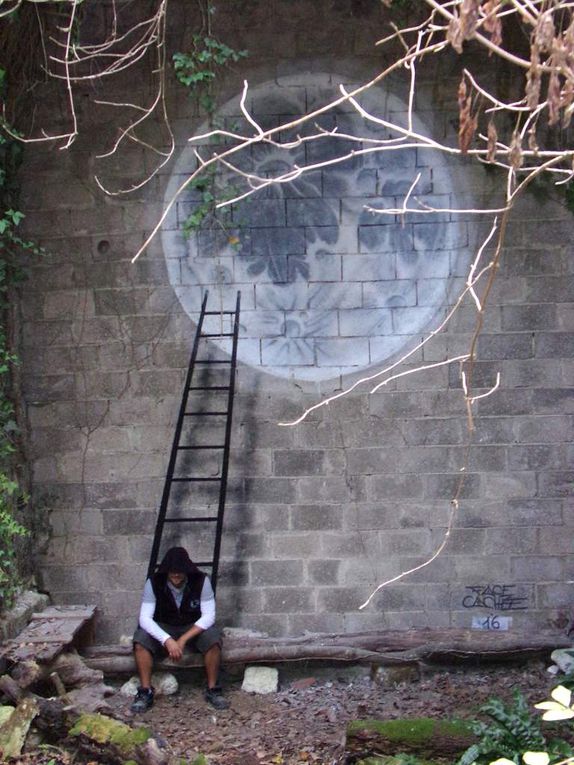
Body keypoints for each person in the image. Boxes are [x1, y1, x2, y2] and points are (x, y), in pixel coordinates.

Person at [131, 546, 229, 712]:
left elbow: (208, 616)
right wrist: (167, 640)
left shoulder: (201, 581)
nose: (176, 575)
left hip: (191, 626)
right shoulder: (154, 582)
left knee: (213, 638)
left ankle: (213, 689)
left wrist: (183, 640)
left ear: (187, 570)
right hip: (164, 625)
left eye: (180, 571)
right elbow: (145, 618)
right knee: (140, 640)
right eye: (172, 571)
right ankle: (145, 691)